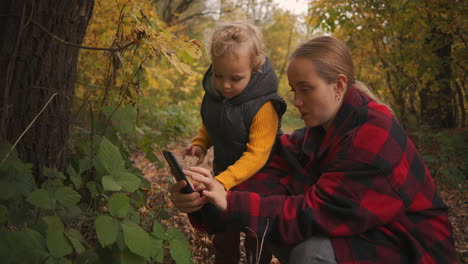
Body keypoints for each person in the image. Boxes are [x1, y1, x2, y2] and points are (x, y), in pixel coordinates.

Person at [170, 36, 457, 264]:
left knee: (309, 250)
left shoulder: (374, 133)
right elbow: (271, 172)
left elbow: (314, 213)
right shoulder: (321, 133)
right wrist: (204, 199)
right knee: (276, 222)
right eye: (294, 90)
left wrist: (230, 202)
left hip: (412, 247)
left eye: (306, 89)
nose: (296, 100)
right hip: (369, 230)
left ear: (339, 85)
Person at [182, 21, 287, 264]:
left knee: (256, 234)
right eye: (219, 76)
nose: (226, 85)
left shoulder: (264, 106)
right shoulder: (217, 96)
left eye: (236, 78)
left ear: (255, 68)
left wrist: (221, 182)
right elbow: (213, 123)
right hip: (225, 173)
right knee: (223, 230)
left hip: (261, 180)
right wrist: (200, 143)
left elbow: (257, 155)